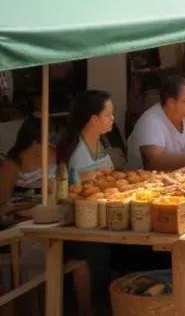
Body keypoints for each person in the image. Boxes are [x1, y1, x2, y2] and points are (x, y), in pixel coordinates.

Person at [56, 90, 117, 315]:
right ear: (94, 119)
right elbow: (77, 189)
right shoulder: (77, 150)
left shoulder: (99, 143)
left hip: (100, 216)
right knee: (86, 258)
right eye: (109, 115)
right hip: (77, 220)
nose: (113, 119)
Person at [0, 117, 55, 214]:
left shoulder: (55, 155)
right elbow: (2, 202)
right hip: (20, 216)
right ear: (35, 144)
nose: (49, 144)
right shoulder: (12, 163)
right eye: (47, 141)